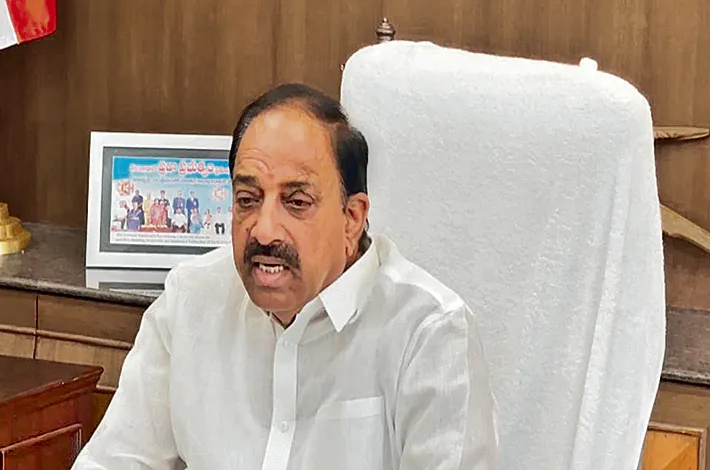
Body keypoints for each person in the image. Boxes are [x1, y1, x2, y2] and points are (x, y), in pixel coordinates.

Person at [72, 83, 497, 470]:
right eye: (248, 199)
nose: (263, 231)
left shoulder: (429, 331)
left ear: (352, 218)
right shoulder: (191, 299)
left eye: (296, 202)